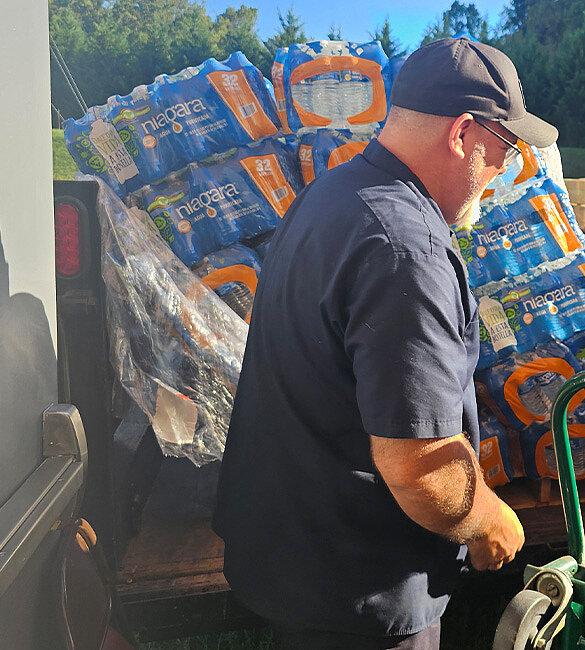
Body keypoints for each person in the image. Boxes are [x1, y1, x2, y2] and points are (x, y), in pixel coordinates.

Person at [213, 38, 558, 650]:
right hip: (360, 588)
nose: (507, 166)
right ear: (462, 134)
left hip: (295, 556)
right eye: (504, 146)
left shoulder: (332, 195)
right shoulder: (406, 250)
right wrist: (489, 522)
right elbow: (421, 469)